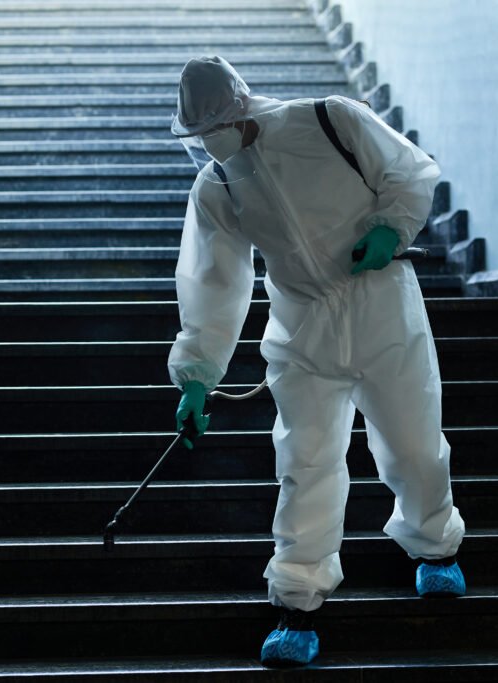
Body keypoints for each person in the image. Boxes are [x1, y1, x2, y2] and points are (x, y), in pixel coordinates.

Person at [167, 56, 467, 666]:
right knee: (306, 463)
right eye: (200, 135)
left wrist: (390, 229)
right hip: (302, 332)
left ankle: (436, 547)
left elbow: (408, 173)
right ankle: (297, 602)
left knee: (412, 444)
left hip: (383, 307)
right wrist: (198, 376)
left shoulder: (332, 120)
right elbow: (214, 282)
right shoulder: (218, 186)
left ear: (240, 105)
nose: (211, 141)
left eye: (215, 126)